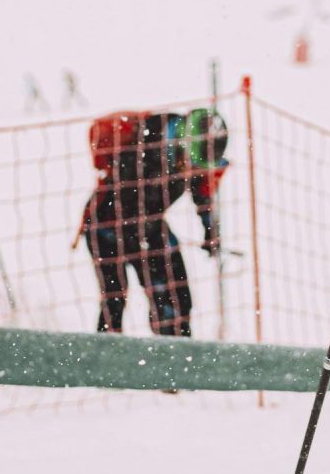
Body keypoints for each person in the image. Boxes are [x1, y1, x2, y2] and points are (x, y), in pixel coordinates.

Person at [82, 107, 228, 335]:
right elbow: (126, 203)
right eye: (190, 163)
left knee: (177, 299)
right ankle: (107, 357)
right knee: (115, 299)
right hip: (106, 226)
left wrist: (211, 232)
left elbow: (203, 193)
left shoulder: (192, 156)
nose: (191, 171)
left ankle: (175, 355)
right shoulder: (143, 147)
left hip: (149, 223)